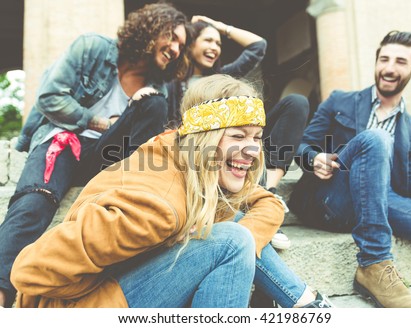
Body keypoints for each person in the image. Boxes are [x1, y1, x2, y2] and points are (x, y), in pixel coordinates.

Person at [10, 74, 332, 308]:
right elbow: (29, 271)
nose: (251, 150)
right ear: (203, 139)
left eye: (256, 137)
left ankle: (303, 303)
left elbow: (267, 203)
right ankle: (307, 305)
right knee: (231, 241)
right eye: (237, 136)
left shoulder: (190, 162)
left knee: (232, 229)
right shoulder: (159, 208)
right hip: (90, 308)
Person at [0, 3, 190, 308]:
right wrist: (106, 122)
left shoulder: (158, 89)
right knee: (35, 200)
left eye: (182, 45)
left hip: (107, 159)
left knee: (153, 104)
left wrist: (135, 110)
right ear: (152, 28)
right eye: (173, 37)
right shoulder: (92, 48)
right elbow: (50, 97)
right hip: (64, 140)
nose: (177, 49)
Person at [288, 31, 411, 308]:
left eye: (400, 61)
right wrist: (313, 158)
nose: (389, 67)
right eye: (384, 59)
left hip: (381, 202)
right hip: (331, 199)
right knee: (376, 139)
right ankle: (374, 263)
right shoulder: (339, 101)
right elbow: (300, 145)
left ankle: (375, 264)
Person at [166, 15, 310, 251]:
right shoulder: (173, 83)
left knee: (296, 103)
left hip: (238, 145)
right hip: (203, 156)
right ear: (190, 43)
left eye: (218, 43)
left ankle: (267, 192)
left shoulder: (225, 76)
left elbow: (258, 46)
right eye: (208, 40)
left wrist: (220, 27)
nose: (214, 47)